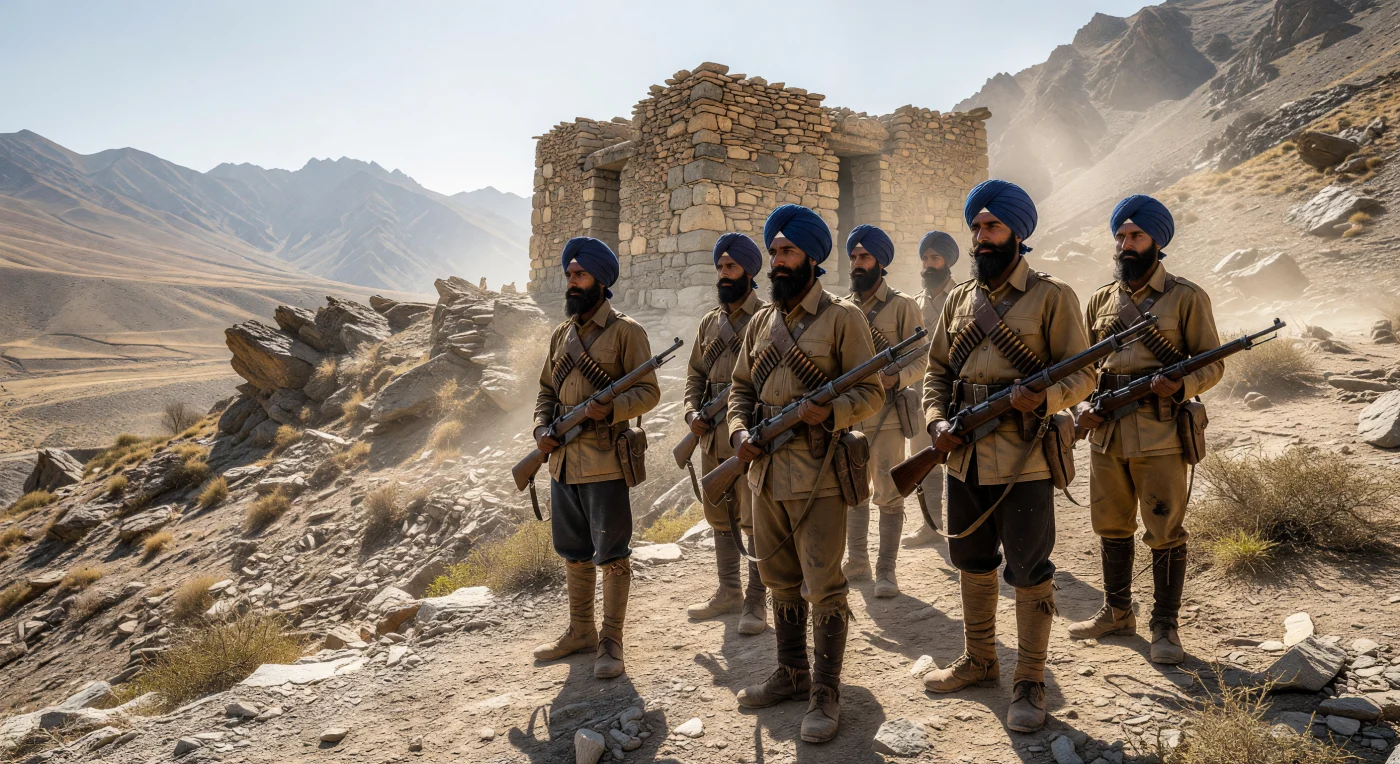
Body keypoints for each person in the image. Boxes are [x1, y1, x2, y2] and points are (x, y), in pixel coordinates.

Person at [920, 180, 1093, 732]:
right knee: (971, 560)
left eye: (991, 226)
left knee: (1028, 568)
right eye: (977, 227)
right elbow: (937, 373)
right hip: (964, 455)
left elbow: (1084, 373)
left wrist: (1047, 396)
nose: (981, 236)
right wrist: (936, 421)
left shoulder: (1053, 296)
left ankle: (1031, 679)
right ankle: (980, 660)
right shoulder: (958, 298)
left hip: (1026, 457)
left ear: (1018, 233)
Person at [728, 205, 883, 743]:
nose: (777, 261)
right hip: (765, 474)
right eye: (773, 252)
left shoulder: (844, 319)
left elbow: (871, 392)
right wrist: (739, 432)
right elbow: (740, 390)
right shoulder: (761, 324)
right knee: (779, 579)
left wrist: (831, 413)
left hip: (818, 472)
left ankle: (825, 689)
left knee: (824, 584)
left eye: (787, 251)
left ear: (813, 258)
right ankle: (791, 671)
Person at [1068, 194, 1222, 666]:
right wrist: (1082, 408)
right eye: (1120, 237)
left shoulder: (1186, 296)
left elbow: (1212, 365)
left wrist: (1181, 383)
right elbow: (1081, 368)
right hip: (1106, 432)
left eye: (1135, 236)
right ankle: (1116, 611)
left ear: (1157, 240)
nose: (1125, 245)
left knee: (1164, 529)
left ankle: (1164, 626)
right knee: (1111, 524)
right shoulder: (1099, 299)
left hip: (1160, 433)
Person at [530, 237, 660, 680]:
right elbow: (547, 391)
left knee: (613, 554)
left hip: (606, 461)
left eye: (579, 275)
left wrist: (612, 409)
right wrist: (540, 430)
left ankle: (611, 641)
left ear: (600, 282)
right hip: (562, 463)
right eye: (569, 275)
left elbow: (649, 392)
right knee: (574, 553)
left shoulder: (627, 332)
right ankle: (580, 631)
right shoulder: (560, 335)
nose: (571, 282)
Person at [683, 232, 769, 635]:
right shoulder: (708, 323)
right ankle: (728, 591)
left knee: (753, 520)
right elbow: (695, 375)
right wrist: (690, 414)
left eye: (730, 267)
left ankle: (756, 601)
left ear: (749, 272)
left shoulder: (768, 319)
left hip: (749, 435)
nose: (723, 274)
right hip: (710, 436)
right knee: (719, 515)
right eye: (720, 267)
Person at [841, 224, 925, 598]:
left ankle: (886, 571)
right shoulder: (844, 308)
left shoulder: (903, 306)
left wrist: (899, 377)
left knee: (889, 492)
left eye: (864, 257)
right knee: (853, 490)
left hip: (889, 416)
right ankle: (857, 561)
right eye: (854, 258)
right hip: (849, 415)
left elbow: (923, 356)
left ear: (880, 262)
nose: (857, 264)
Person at [903, 230, 961, 547]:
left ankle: (965, 526)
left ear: (948, 262)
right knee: (925, 461)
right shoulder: (914, 303)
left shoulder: (964, 297)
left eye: (934, 258)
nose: (928, 264)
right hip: (922, 395)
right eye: (925, 258)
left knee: (962, 462)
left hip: (956, 393)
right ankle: (931, 526)